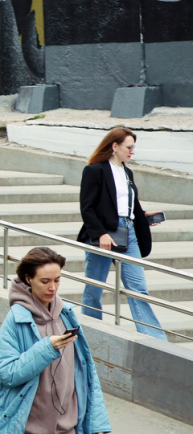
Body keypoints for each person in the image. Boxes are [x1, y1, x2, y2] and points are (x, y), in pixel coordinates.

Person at [0, 247, 111, 434]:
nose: (53, 287)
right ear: (29, 279)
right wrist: (47, 348)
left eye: (57, 280)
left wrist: (97, 425)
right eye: (45, 281)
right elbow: (7, 373)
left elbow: (86, 373)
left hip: (69, 428)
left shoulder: (67, 315)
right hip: (27, 428)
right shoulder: (16, 320)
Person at [78, 127, 167, 341]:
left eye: (133, 147)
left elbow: (129, 205)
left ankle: (155, 340)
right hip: (102, 233)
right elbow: (86, 207)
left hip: (129, 231)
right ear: (114, 146)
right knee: (95, 287)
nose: (132, 151)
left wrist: (144, 216)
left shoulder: (127, 172)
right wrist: (100, 234)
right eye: (129, 147)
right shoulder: (95, 170)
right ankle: (90, 332)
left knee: (137, 288)